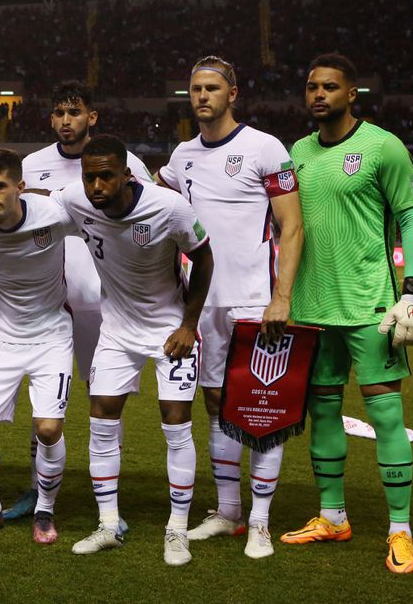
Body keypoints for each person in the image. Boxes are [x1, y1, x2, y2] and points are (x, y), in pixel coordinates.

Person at [278, 54, 413, 575]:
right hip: (312, 308)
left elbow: (411, 216)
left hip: (370, 306)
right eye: (312, 86)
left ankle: (400, 530)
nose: (319, 94)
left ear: (351, 94)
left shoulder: (382, 146)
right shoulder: (297, 152)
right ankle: (332, 516)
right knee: (321, 411)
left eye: (330, 87)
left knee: (386, 414)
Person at [156, 56, 303, 559]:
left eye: (212, 88)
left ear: (232, 93)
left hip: (254, 301)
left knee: (262, 409)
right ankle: (228, 512)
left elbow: (292, 226)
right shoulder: (181, 156)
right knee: (216, 404)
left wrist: (281, 297)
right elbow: (160, 205)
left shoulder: (265, 147)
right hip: (201, 301)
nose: (201, 96)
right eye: (195, 88)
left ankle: (260, 521)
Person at [54, 134, 213, 566]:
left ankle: (177, 529)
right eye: (90, 178)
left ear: (127, 174)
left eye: (106, 176)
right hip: (118, 332)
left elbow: (204, 259)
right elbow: (35, 203)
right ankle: (108, 524)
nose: (97, 187)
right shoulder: (75, 199)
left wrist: (188, 324)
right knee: (101, 418)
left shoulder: (169, 207)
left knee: (176, 422)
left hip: (170, 332)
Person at [4, 80, 156, 521]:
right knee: (43, 400)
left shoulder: (125, 164)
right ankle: (37, 488)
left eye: (75, 113)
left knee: (104, 399)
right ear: (51, 119)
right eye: (58, 113)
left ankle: (105, 493)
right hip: (46, 305)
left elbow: (149, 218)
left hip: (103, 304)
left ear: (92, 117)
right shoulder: (31, 165)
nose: (66, 121)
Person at [0, 149, 77, 544]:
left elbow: (101, 208)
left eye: (0, 186)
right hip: (1, 334)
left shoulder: (54, 213)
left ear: (20, 187)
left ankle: (45, 510)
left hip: (52, 333)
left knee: (47, 428)